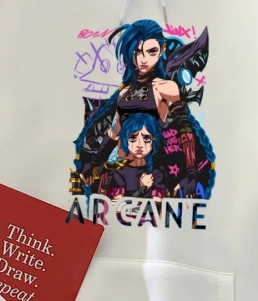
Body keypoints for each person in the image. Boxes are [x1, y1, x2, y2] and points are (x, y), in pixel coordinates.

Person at [71, 19, 215, 199]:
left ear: (162, 50)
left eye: (151, 51)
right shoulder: (124, 92)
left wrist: (191, 172)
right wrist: (94, 163)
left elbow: (185, 129)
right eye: (137, 52)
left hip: (153, 170)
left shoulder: (165, 87)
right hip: (123, 171)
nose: (143, 59)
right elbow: (115, 131)